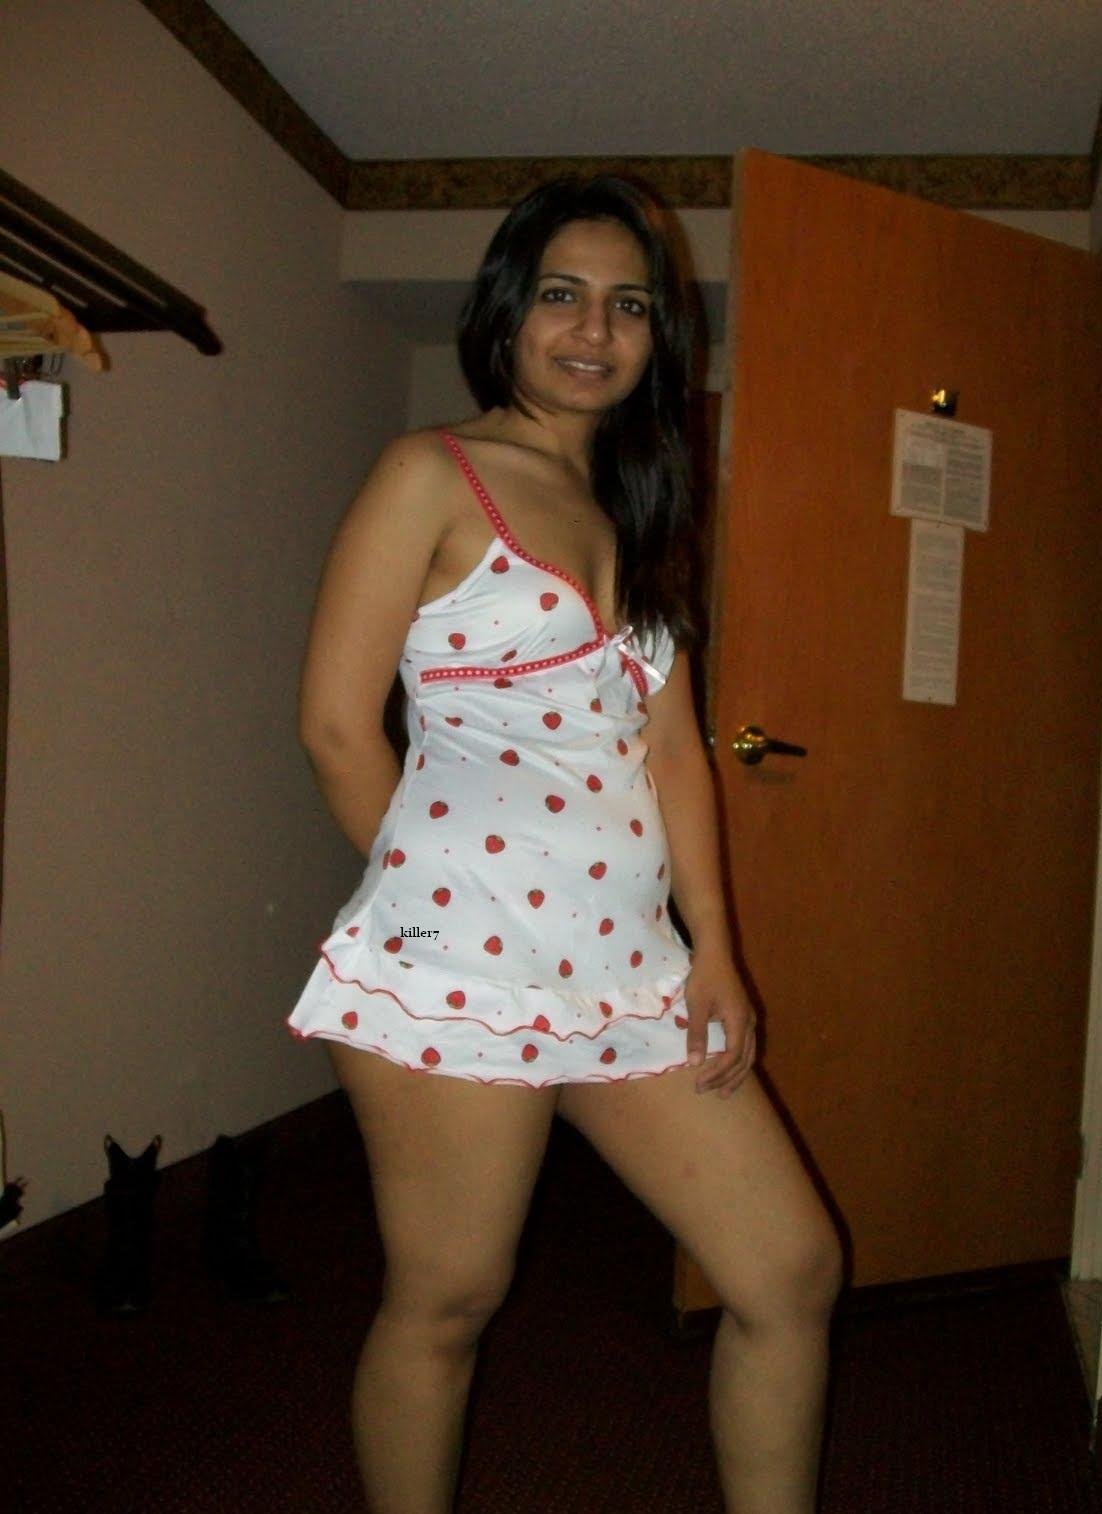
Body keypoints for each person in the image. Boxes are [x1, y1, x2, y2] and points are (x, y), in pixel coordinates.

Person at [286, 174, 842, 1514]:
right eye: (562, 295)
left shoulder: (640, 508)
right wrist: (434, 913)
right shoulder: (431, 472)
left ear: (660, 334)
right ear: (506, 311)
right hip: (460, 966)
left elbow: (673, 751)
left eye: (630, 305)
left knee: (788, 1268)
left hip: (627, 968)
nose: (595, 329)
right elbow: (337, 727)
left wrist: (716, 953)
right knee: (450, 1296)